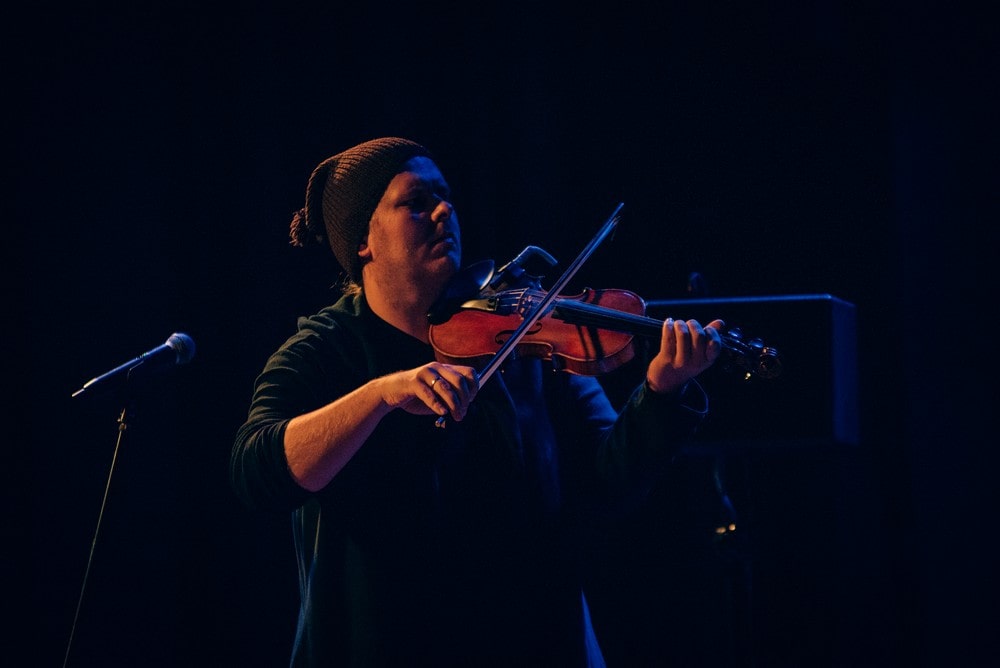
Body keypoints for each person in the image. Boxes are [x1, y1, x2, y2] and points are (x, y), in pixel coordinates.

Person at [231, 136, 725, 667]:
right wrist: (380, 396)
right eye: (416, 203)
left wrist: (661, 394)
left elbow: (604, 483)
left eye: (445, 198)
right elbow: (255, 470)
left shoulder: (523, 337)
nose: (445, 211)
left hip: (529, 640)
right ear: (363, 242)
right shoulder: (324, 351)